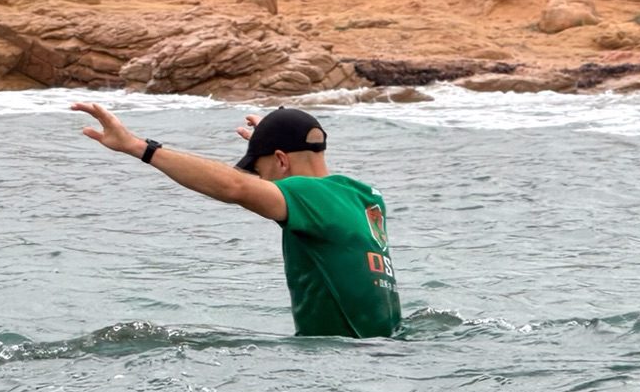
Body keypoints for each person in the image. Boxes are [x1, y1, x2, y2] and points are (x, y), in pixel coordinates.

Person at [70, 101, 401, 339]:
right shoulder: (365, 196)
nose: (261, 181)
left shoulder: (305, 195)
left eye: (261, 170)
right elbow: (295, 186)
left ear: (282, 160)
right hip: (389, 347)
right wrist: (267, 147)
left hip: (344, 359)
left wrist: (137, 147)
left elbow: (234, 186)